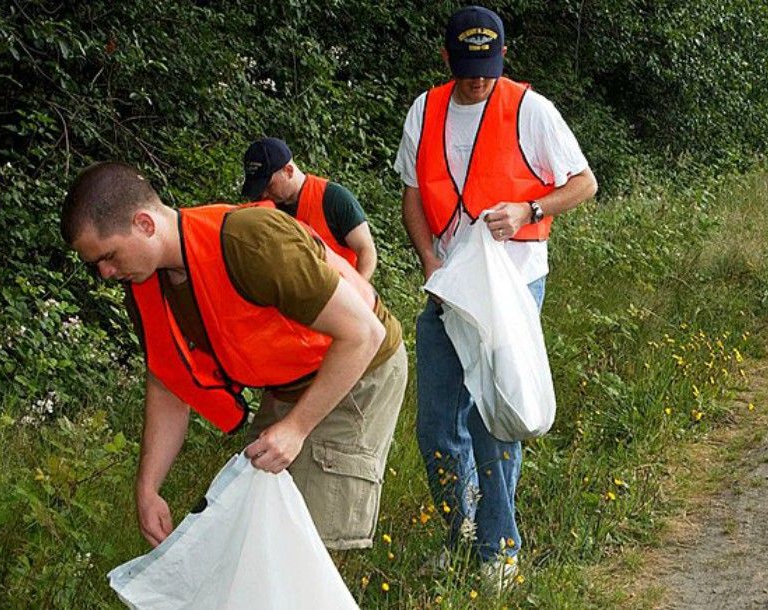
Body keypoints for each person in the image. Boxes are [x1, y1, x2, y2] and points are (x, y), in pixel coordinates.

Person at [60, 161, 407, 551]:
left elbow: (364, 333)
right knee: (253, 522)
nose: (105, 273)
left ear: (144, 223)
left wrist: (295, 429)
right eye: (95, 266)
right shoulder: (145, 283)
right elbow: (169, 382)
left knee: (307, 543)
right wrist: (148, 487)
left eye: (108, 256)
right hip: (289, 382)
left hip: (361, 368)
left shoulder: (248, 242)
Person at [393, 5, 597, 587]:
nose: (477, 78)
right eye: (466, 67)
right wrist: (430, 260)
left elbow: (584, 183)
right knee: (435, 425)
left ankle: (499, 547)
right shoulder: (425, 110)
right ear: (446, 60)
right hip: (450, 285)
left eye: (486, 66)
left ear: (503, 57)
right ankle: (456, 530)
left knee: (496, 415)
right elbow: (412, 196)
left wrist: (530, 208)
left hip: (512, 283)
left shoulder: (531, 110)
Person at [241, 137, 379, 280]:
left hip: (340, 290)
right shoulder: (265, 207)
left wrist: (358, 293)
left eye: (269, 186)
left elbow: (366, 250)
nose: (263, 194)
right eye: (259, 188)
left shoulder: (333, 198)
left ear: (288, 171)